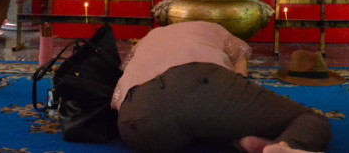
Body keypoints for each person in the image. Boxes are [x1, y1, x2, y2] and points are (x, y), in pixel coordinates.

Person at [112, 21, 331, 153]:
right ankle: (284, 146)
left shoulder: (148, 38)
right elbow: (240, 64)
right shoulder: (215, 29)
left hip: (137, 122)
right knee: (310, 119)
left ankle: (237, 140)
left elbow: (122, 79)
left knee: (192, 120)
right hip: (202, 84)